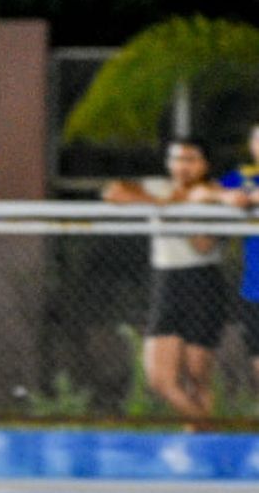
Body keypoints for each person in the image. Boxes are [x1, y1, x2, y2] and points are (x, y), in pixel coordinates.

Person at [102, 138, 226, 425]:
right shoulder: (160, 187)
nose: (182, 166)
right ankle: (217, 433)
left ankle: (199, 446)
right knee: (160, 379)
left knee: (197, 377)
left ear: (205, 164)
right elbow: (113, 191)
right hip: (166, 281)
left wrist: (177, 213)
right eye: (176, 159)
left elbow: (204, 245)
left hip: (202, 282)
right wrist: (163, 204)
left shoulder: (213, 192)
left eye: (190, 159)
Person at [208, 122, 259, 396]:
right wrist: (228, 197)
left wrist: (253, 199)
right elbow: (207, 191)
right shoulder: (244, 177)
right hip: (256, 289)